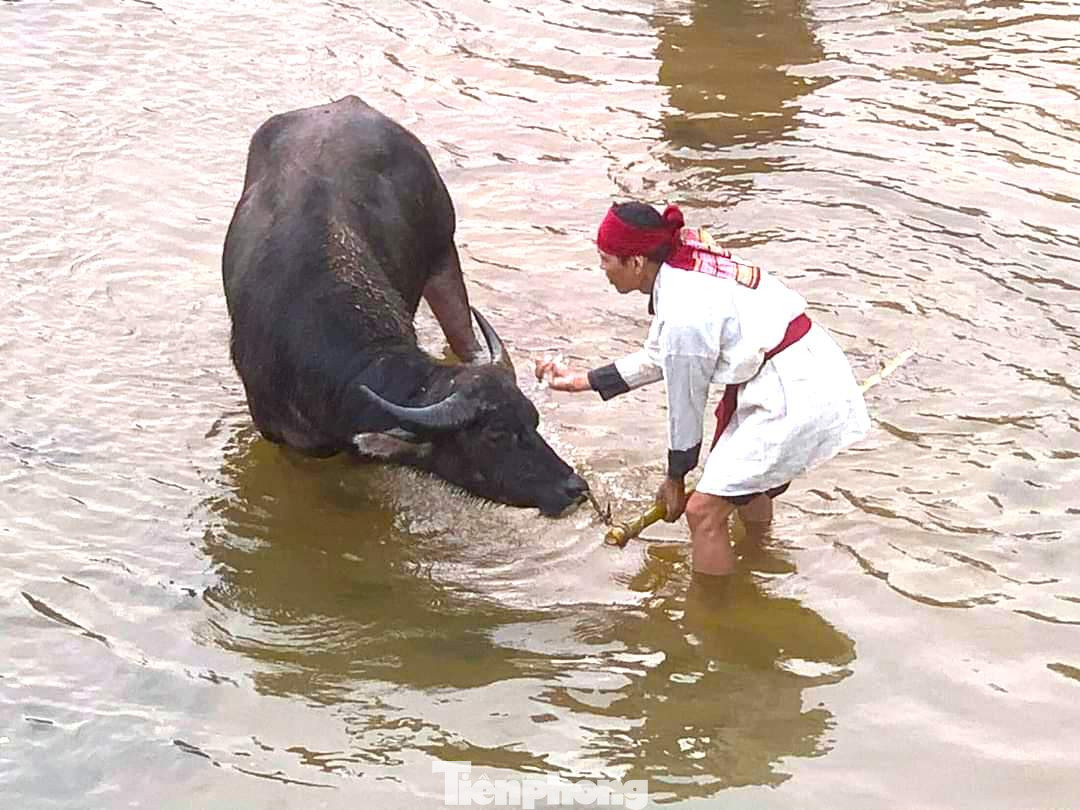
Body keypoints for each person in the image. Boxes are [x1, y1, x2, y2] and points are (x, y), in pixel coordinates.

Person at [534, 202, 870, 577]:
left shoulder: (683, 310)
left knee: (703, 511)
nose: (602, 269)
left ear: (636, 263)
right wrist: (582, 381)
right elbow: (659, 356)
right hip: (802, 365)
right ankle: (758, 559)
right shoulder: (684, 263)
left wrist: (676, 476)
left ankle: (712, 617)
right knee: (744, 482)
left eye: (605, 258)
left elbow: (686, 403)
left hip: (794, 388)